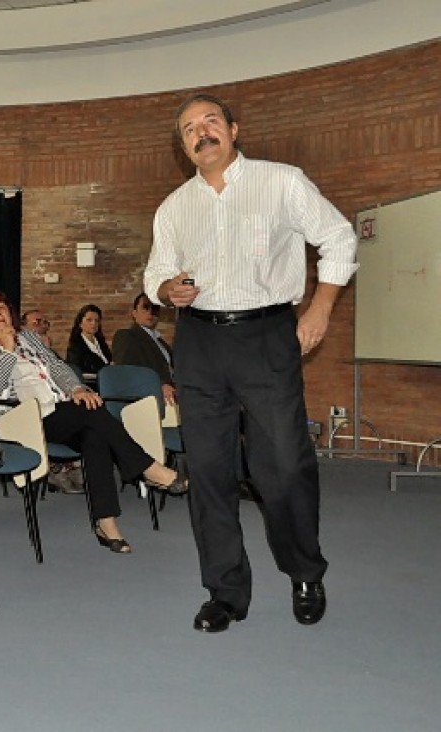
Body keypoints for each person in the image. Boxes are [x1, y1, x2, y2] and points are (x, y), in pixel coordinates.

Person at [144, 93, 358, 633]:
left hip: (266, 334)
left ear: (234, 130)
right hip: (199, 342)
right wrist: (168, 288)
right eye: (189, 128)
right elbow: (155, 276)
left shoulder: (281, 181)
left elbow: (337, 236)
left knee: (283, 465)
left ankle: (304, 571)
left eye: (210, 121)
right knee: (211, 471)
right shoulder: (174, 207)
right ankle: (225, 591)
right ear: (184, 145)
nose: (201, 132)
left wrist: (321, 308)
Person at [0, 290, 186, 554]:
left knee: (94, 431)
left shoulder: (29, 337)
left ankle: (106, 521)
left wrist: (78, 389)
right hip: (19, 420)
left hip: (56, 412)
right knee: (92, 413)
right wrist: (8, 350)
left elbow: (58, 368)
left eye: (2, 307)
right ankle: (146, 468)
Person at [112, 293, 177, 405]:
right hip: (147, 398)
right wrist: (159, 386)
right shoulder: (126, 336)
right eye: (145, 307)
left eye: (155, 308)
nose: (150, 312)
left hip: (172, 397)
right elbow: (127, 370)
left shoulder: (162, 343)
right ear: (134, 313)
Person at [65, 303, 112, 378]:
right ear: (80, 323)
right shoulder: (75, 348)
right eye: (89, 320)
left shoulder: (102, 344)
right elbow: (76, 373)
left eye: (96, 320)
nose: (93, 323)